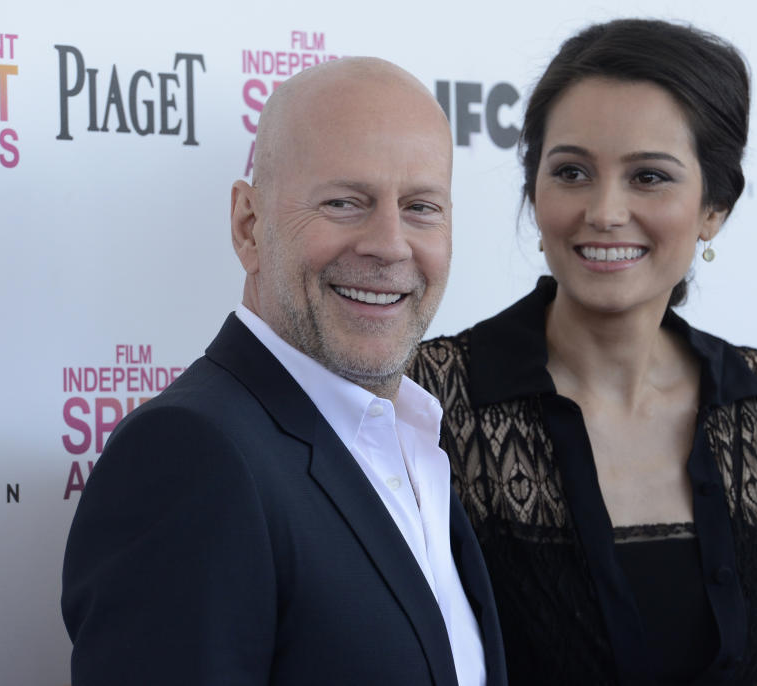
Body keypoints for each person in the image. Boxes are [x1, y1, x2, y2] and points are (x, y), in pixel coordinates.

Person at [409, 19, 757, 685]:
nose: (604, 211)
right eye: (572, 171)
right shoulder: (431, 399)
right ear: (534, 189)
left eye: (649, 177)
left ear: (714, 206)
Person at [62, 57, 506, 686]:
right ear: (249, 225)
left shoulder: (416, 437)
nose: (389, 243)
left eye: (421, 207)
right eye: (344, 202)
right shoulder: (189, 457)